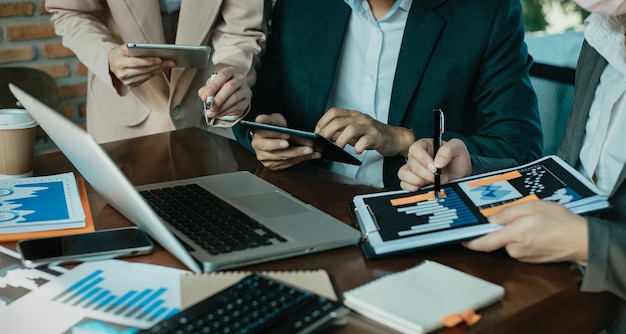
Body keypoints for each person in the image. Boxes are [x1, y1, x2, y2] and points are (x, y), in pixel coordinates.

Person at [458, 2, 626, 334]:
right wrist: (472, 168)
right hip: (547, 328)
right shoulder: (601, 38)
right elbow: (568, 179)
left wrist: (586, 242)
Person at [233, 0, 543, 190]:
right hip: (307, 195)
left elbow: (520, 149)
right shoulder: (304, 4)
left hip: (417, 212)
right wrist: (265, 132)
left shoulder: (487, 11)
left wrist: (403, 140)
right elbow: (265, 95)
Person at [46, 0, 267, 143]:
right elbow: (69, 12)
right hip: (124, 109)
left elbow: (241, 31)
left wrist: (228, 78)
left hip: (206, 112)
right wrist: (108, 56)